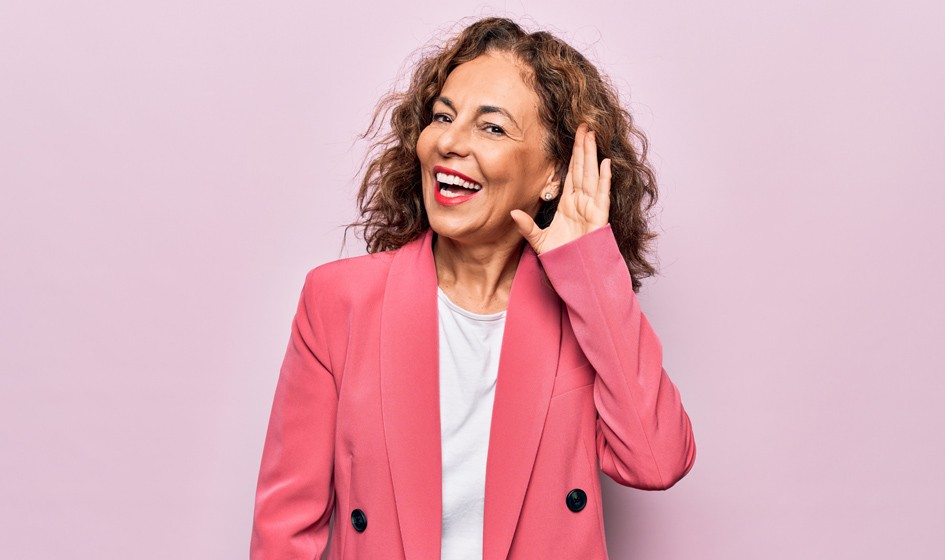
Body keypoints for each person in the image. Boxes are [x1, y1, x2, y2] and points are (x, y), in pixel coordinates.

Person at [251, 16, 695, 560]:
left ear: (554, 174)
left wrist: (590, 268)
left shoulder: (582, 312)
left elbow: (656, 460)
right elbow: (283, 532)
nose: (450, 143)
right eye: (442, 116)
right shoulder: (337, 302)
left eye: (491, 127)